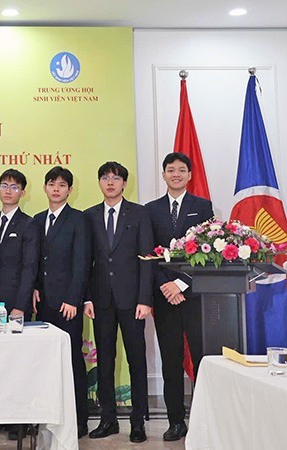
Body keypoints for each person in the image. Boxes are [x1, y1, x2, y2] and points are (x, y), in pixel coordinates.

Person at [144, 152, 213, 442]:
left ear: (189, 175)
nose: (176, 174)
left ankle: (203, 419)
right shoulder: (150, 210)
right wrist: (166, 286)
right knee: (171, 361)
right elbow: (148, 254)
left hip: (194, 296)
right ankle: (175, 422)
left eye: (181, 170)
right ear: (163, 175)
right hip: (164, 297)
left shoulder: (202, 206)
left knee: (201, 359)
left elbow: (209, 250)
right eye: (170, 170)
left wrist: (181, 284)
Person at [84, 161, 154, 444]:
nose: (110, 183)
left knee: (136, 359)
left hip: (132, 299)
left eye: (115, 178)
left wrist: (145, 299)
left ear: (124, 183)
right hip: (101, 299)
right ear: (99, 183)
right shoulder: (89, 216)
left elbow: (147, 259)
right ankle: (108, 419)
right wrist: (87, 297)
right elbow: (85, 261)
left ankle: (138, 421)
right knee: (105, 360)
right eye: (105, 178)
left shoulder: (139, 213)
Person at [32, 166, 90, 439]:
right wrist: (34, 288)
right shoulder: (37, 219)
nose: (56, 189)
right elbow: (34, 260)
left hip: (67, 305)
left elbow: (82, 262)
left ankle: (79, 419)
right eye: (52, 184)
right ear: (45, 188)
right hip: (43, 303)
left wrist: (73, 298)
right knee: (46, 361)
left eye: (62, 185)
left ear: (70, 190)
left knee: (72, 359)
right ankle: (49, 417)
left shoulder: (78, 219)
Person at [0, 168, 39, 441]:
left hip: (16, 303)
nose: (8, 191)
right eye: (4, 185)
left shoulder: (29, 224)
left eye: (14, 187)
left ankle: (20, 422)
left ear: (23, 192)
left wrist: (21, 304)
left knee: (19, 362)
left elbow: (30, 267)